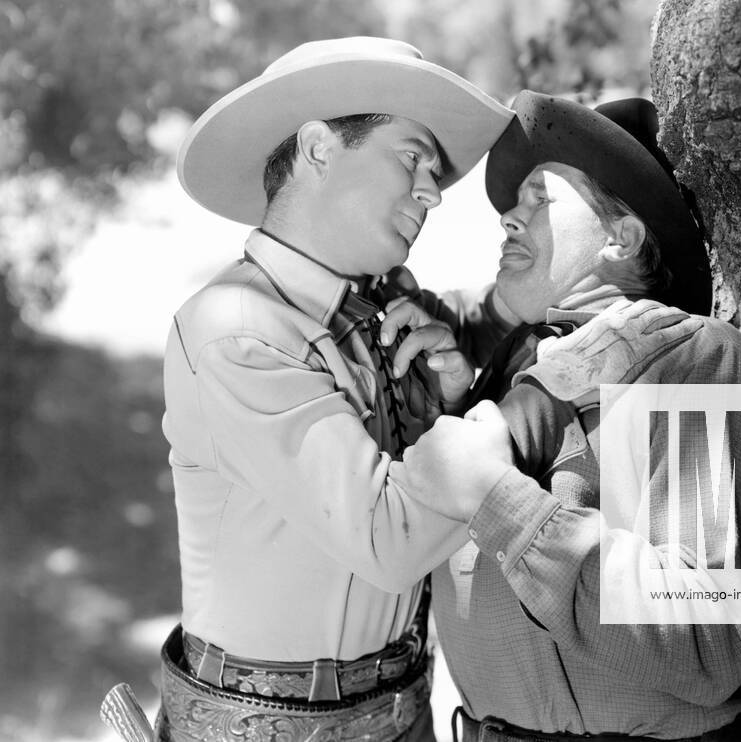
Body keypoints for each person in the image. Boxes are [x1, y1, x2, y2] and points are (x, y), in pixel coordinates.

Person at [140, 37, 514, 742]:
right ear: (318, 148)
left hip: (401, 710)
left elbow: (489, 309)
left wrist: (455, 392)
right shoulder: (237, 330)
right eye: (411, 158)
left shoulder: (370, 309)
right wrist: (513, 417)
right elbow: (390, 538)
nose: (432, 192)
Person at [383, 92, 741, 742]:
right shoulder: (506, 368)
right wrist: (459, 407)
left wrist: (497, 498)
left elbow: (707, 642)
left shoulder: (692, 360)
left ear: (620, 240)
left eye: (540, 198)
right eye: (516, 203)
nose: (510, 218)